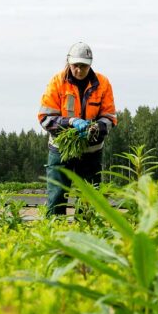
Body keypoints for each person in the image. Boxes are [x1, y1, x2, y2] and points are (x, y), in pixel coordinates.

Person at [38, 42, 117, 215]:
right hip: (61, 150)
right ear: (68, 63)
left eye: (84, 66)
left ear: (90, 65)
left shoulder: (103, 84)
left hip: (91, 151)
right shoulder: (57, 82)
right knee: (57, 197)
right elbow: (45, 118)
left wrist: (97, 127)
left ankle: (86, 234)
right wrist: (71, 122)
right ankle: (55, 235)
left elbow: (110, 117)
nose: (79, 70)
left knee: (89, 198)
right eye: (76, 66)